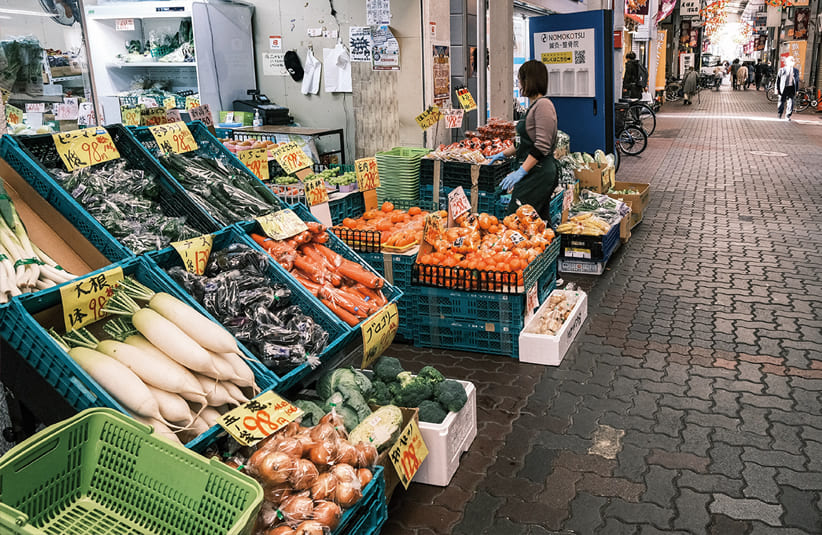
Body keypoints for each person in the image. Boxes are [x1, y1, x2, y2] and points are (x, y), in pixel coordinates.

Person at [487, 60, 558, 221]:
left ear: (529, 80)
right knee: (536, 222)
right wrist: (501, 154)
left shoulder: (543, 106)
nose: (519, 84)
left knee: (515, 220)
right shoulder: (533, 106)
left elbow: (542, 146)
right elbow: (523, 142)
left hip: (538, 173)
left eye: (521, 79)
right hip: (533, 171)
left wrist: (521, 171)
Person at [777, 56, 800, 120]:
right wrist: (777, 89)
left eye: (793, 61)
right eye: (790, 60)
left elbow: (797, 81)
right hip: (783, 88)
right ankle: (780, 113)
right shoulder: (782, 70)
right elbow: (778, 80)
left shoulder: (796, 71)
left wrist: (797, 90)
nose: (792, 62)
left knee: (791, 102)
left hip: (791, 88)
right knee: (781, 101)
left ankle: (788, 115)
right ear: (787, 62)